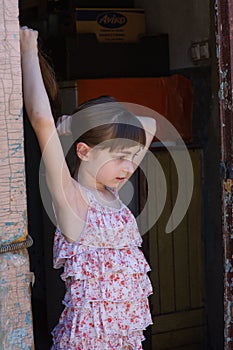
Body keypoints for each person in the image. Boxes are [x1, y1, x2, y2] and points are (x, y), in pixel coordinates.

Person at [20, 27, 157, 350]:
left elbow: (148, 127)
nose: (129, 166)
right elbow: (41, 118)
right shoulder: (72, 199)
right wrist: (28, 51)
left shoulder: (112, 193)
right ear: (84, 152)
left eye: (131, 157)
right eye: (121, 157)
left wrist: (77, 124)